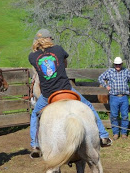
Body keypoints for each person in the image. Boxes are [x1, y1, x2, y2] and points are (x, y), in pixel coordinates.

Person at [28, 29, 112, 158]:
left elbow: (38, 72)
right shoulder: (59, 49)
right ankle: (103, 135)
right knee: (89, 106)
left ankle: (35, 145)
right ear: (49, 38)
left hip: (47, 95)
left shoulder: (32, 57)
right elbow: (64, 64)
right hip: (66, 89)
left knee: (35, 114)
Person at [98, 56, 130, 139]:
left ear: (122, 64)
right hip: (113, 97)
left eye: (119, 64)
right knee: (114, 115)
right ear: (114, 64)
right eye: (116, 64)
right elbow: (100, 78)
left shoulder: (126, 71)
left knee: (125, 115)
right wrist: (106, 85)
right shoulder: (110, 71)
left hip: (124, 96)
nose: (118, 66)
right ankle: (115, 133)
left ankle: (124, 132)